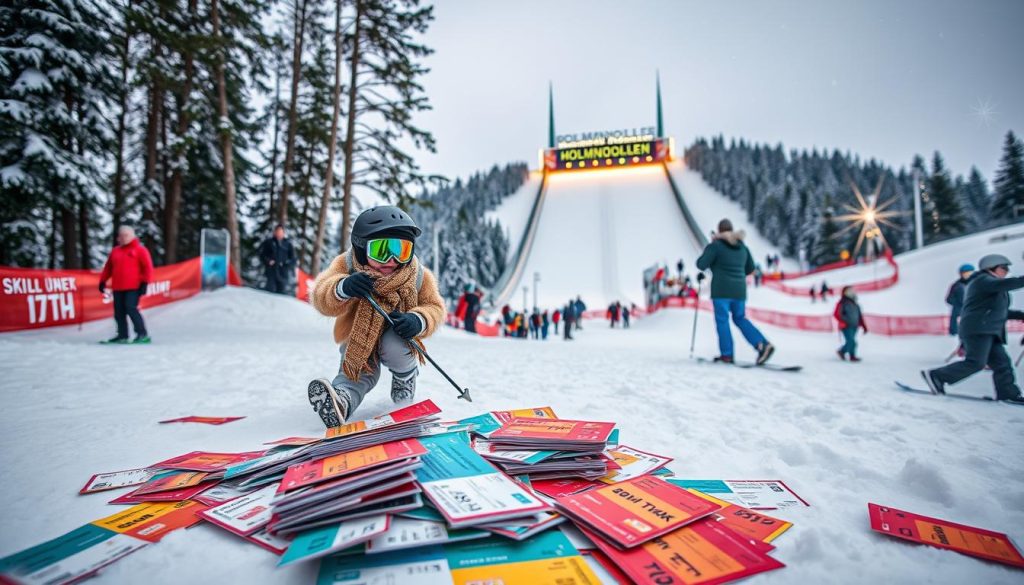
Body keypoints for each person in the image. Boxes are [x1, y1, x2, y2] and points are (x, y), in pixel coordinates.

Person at [306, 206, 445, 426]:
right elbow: (320, 296)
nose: (391, 259)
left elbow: (435, 307)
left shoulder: (417, 275)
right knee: (356, 374)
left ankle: (405, 377)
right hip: (358, 337)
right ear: (361, 248)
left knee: (397, 345)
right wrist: (343, 287)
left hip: (397, 335)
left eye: (401, 250)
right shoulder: (348, 265)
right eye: (381, 250)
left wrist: (418, 320)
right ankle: (341, 401)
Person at [922, 254, 1024, 403]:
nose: (1006, 271)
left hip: (989, 331)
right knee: (976, 362)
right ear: (991, 267)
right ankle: (937, 376)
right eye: (1003, 268)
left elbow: (1000, 312)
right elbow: (1006, 284)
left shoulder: (992, 285)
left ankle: (1008, 393)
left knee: (1003, 364)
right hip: (978, 330)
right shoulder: (982, 280)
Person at [696, 218, 774, 365]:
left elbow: (701, 264)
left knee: (722, 320)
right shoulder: (743, 247)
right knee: (740, 318)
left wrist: (711, 248)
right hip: (739, 291)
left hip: (721, 290)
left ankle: (727, 354)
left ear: (719, 231)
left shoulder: (716, 246)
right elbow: (750, 268)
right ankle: (762, 344)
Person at [99, 226, 154, 344]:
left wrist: (145, 283)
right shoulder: (115, 251)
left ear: (132, 236)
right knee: (119, 312)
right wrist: (102, 281)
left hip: (134, 287)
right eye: (121, 235)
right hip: (118, 287)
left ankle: (142, 334)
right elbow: (108, 268)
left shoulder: (140, 250)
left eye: (126, 235)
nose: (123, 238)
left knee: (131, 308)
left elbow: (148, 268)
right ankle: (122, 335)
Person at [258, 224, 296, 294]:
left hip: (283, 272)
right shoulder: (269, 242)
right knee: (269, 290)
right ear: (274, 232)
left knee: (281, 292)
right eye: (277, 231)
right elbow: (262, 254)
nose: (278, 233)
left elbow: (293, 259)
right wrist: (268, 261)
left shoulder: (288, 244)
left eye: (280, 232)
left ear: (283, 233)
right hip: (271, 270)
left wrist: (287, 264)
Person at [834, 286, 867, 362]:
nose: (851, 292)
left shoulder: (855, 304)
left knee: (852, 341)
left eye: (852, 291)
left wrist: (864, 326)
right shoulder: (842, 303)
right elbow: (837, 314)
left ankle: (848, 353)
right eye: (849, 291)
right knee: (851, 341)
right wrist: (845, 320)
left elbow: (859, 316)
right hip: (846, 326)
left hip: (854, 325)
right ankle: (846, 353)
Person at [945, 264, 974, 336]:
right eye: (965, 273)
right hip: (958, 314)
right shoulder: (956, 285)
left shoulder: (977, 285)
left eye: (970, 273)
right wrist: (958, 303)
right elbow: (949, 299)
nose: (968, 275)